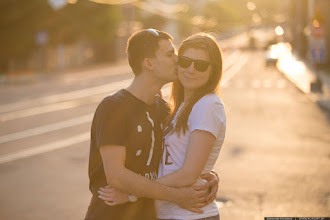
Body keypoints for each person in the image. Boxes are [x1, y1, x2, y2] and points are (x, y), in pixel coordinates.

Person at [85, 29, 219, 220]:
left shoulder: (162, 110)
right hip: (112, 214)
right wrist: (177, 195)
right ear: (149, 63)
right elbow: (116, 176)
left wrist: (208, 174)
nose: (177, 59)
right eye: (170, 54)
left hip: (150, 214)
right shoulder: (114, 107)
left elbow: (178, 155)